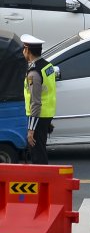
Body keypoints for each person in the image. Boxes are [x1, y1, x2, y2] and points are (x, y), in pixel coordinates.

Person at [21, 34, 54, 165]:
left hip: (37, 117)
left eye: (24, 49)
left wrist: (31, 130)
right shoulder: (47, 66)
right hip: (46, 115)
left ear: (27, 50)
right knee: (40, 150)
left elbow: (35, 102)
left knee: (37, 155)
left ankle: (41, 182)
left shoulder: (33, 74)